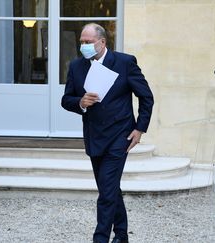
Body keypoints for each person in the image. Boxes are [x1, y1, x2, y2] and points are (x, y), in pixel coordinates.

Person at [61, 23, 154, 243]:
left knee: (106, 192)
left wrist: (140, 128)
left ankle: (100, 238)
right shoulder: (76, 66)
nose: (83, 45)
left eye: (88, 42)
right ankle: (121, 234)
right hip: (94, 136)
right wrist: (80, 102)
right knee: (108, 187)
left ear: (102, 42)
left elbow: (146, 96)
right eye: (81, 42)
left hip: (120, 136)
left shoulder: (124, 62)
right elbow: (66, 100)